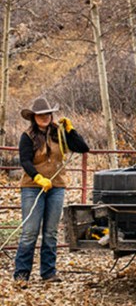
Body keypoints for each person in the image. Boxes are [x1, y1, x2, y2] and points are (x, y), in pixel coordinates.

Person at [13, 96, 90, 285]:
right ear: (34, 117)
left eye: (47, 114)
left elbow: (83, 148)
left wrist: (71, 131)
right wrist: (37, 177)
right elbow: (25, 161)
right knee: (30, 231)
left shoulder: (59, 133)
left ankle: (48, 272)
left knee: (51, 231)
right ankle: (21, 274)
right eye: (40, 115)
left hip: (56, 186)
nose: (45, 117)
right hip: (32, 187)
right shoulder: (27, 136)